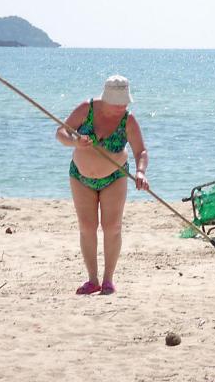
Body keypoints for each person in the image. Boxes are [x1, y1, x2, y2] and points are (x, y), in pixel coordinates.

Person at [56, 75, 149, 294]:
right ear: (106, 98)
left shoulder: (128, 121)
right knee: (87, 228)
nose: (122, 107)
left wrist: (140, 172)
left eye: (125, 102)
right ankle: (92, 279)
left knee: (112, 227)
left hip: (114, 178)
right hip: (81, 177)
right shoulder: (86, 109)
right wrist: (75, 141)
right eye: (118, 103)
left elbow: (141, 151)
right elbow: (61, 133)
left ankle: (108, 280)